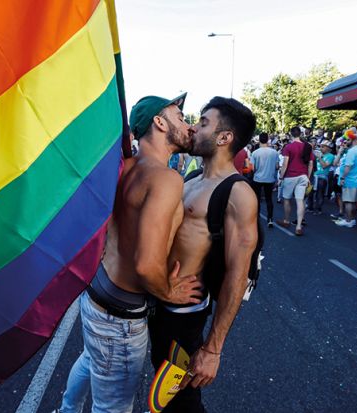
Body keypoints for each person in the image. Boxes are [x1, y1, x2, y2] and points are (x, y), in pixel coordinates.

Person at [59, 93, 203, 413]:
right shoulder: (166, 180)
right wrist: (169, 292)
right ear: (159, 122)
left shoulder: (124, 167)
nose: (188, 125)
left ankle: (67, 410)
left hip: (98, 290)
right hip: (120, 315)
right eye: (179, 116)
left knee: (91, 360)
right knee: (113, 406)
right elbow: (145, 264)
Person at [149, 97, 258, 413]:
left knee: (181, 398)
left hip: (184, 318)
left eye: (204, 122)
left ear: (225, 138)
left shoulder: (238, 193)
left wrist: (213, 349)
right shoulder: (192, 179)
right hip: (159, 303)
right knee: (163, 388)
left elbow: (238, 274)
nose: (194, 127)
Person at [277, 126, 314, 235]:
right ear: (300, 134)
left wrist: (280, 177)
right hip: (303, 176)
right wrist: (308, 176)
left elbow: (285, 164)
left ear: (291, 134)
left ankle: (286, 220)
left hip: (290, 176)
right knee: (300, 200)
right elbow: (311, 164)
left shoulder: (288, 147)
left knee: (287, 199)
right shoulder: (307, 147)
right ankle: (298, 226)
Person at [334, 130, 357, 228]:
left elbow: (348, 167)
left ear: (354, 140)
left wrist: (343, 177)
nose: (346, 141)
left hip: (350, 180)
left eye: (348, 139)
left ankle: (348, 220)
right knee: (353, 202)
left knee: (348, 201)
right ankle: (351, 219)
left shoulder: (352, 151)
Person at [250, 132, 278, 227]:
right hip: (269, 178)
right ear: (268, 140)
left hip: (257, 178)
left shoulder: (255, 153)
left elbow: (252, 168)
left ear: (259, 140)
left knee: (256, 199)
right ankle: (270, 219)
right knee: (269, 199)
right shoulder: (274, 152)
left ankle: (255, 219)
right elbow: (277, 166)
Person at [312, 140, 335, 214]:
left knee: (319, 193)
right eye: (320, 146)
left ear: (328, 148)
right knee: (310, 193)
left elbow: (324, 166)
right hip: (314, 175)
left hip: (322, 177)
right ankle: (310, 207)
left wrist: (319, 157)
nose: (321, 148)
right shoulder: (319, 153)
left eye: (323, 147)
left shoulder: (331, 156)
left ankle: (318, 209)